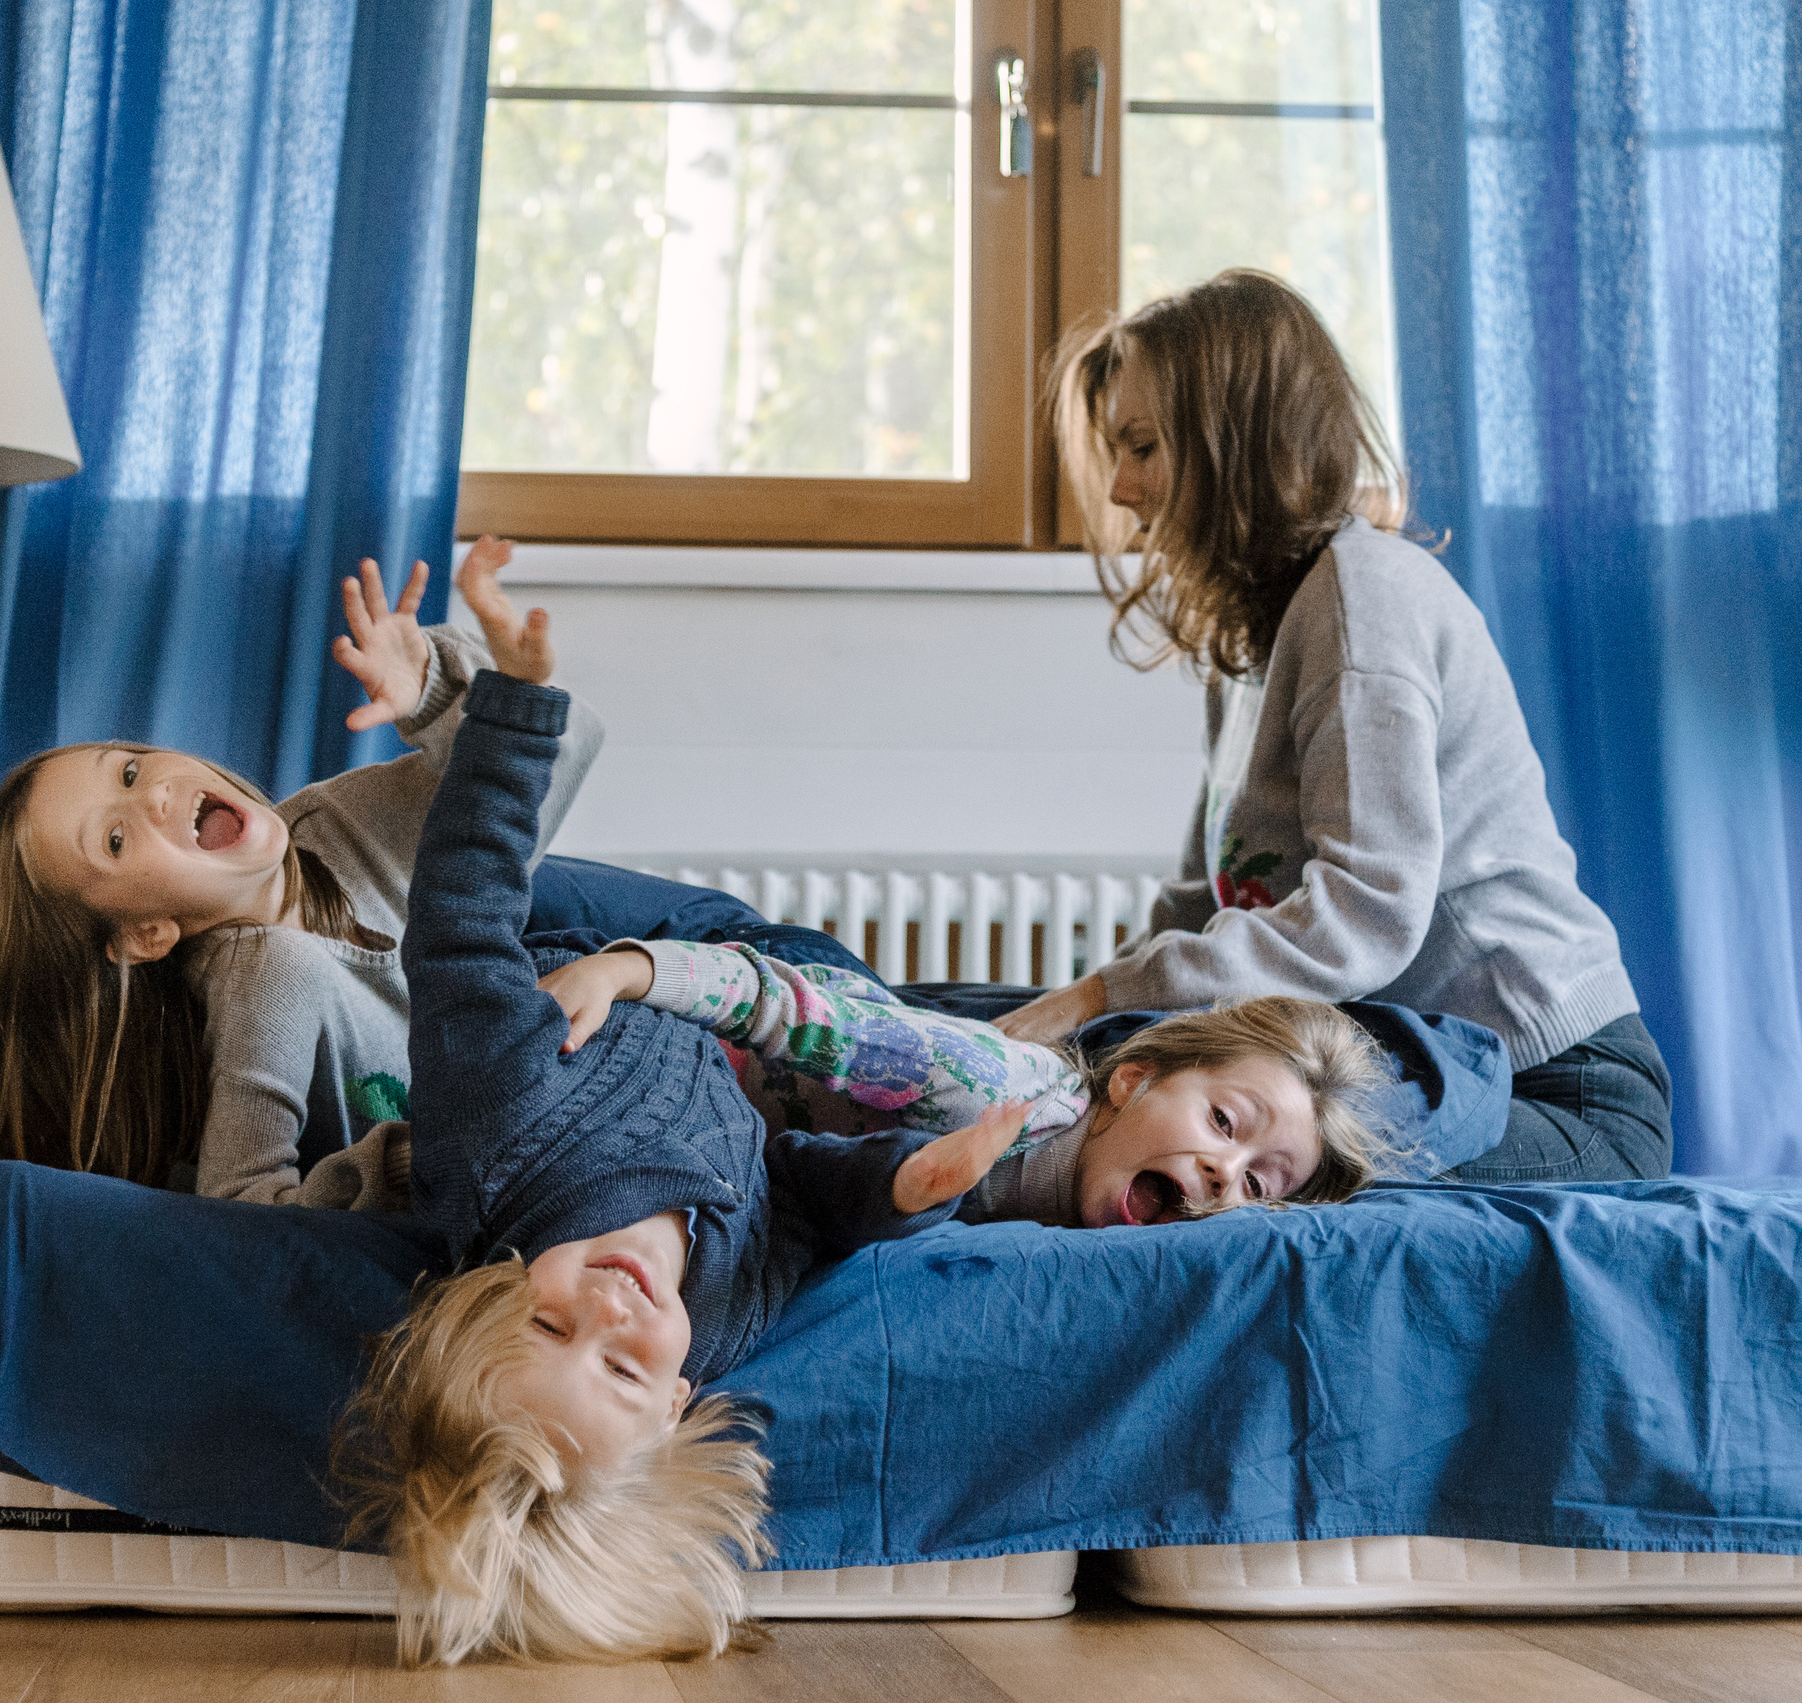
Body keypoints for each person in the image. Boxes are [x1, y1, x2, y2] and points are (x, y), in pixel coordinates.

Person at [339, 563, 1026, 1664]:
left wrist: (512, 709)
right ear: (672, 1400)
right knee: (891, 1024)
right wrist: (904, 1191)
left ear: (485, 1298)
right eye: (621, 1365)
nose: (610, 1314)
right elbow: (800, 1197)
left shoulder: (498, 1130)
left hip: (570, 930)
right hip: (714, 1008)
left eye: (550, 1324)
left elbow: (460, 918)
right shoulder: (725, 1307)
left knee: (486, 912)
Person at [999, 269, 1670, 1183]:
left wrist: (1099, 997)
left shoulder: (1363, 600)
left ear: (1232, 443)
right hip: (1429, 1063)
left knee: (1264, 1173)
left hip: (1556, 1091)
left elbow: (1365, 914)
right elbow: (1199, 909)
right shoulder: (1255, 642)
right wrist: (1069, 1027)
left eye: (1144, 446)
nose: (1120, 488)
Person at [0, 541, 607, 1276]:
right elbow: (241, 1214)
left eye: (127, 770)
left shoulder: (335, 822)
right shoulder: (265, 974)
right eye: (116, 839)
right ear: (149, 933)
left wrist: (435, 696)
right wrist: (411, 1161)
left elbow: (557, 759)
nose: (149, 792)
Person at [540, 935, 1406, 1221]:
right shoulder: (988, 1084)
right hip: (693, 1044)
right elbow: (804, 1011)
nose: (1226, 1176)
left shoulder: (1111, 1217)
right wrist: (630, 970)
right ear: (1130, 1082)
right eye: (1224, 1122)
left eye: (1261, 1180)